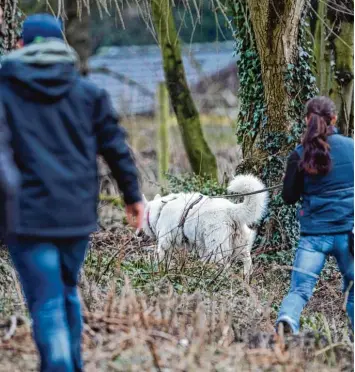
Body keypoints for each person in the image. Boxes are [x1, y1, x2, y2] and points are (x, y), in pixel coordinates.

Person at [0, 13, 144, 372]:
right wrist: (133, 197)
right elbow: (116, 149)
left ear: (20, 45)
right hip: (76, 214)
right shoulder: (89, 93)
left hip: (26, 214)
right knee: (66, 290)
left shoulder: (4, 90)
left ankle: (61, 364)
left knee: (47, 299)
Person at [276, 96, 354, 335]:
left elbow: (288, 197)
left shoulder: (299, 154)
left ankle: (288, 319)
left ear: (307, 120)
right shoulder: (352, 147)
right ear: (334, 119)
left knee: (299, 290)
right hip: (348, 235)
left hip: (314, 236)